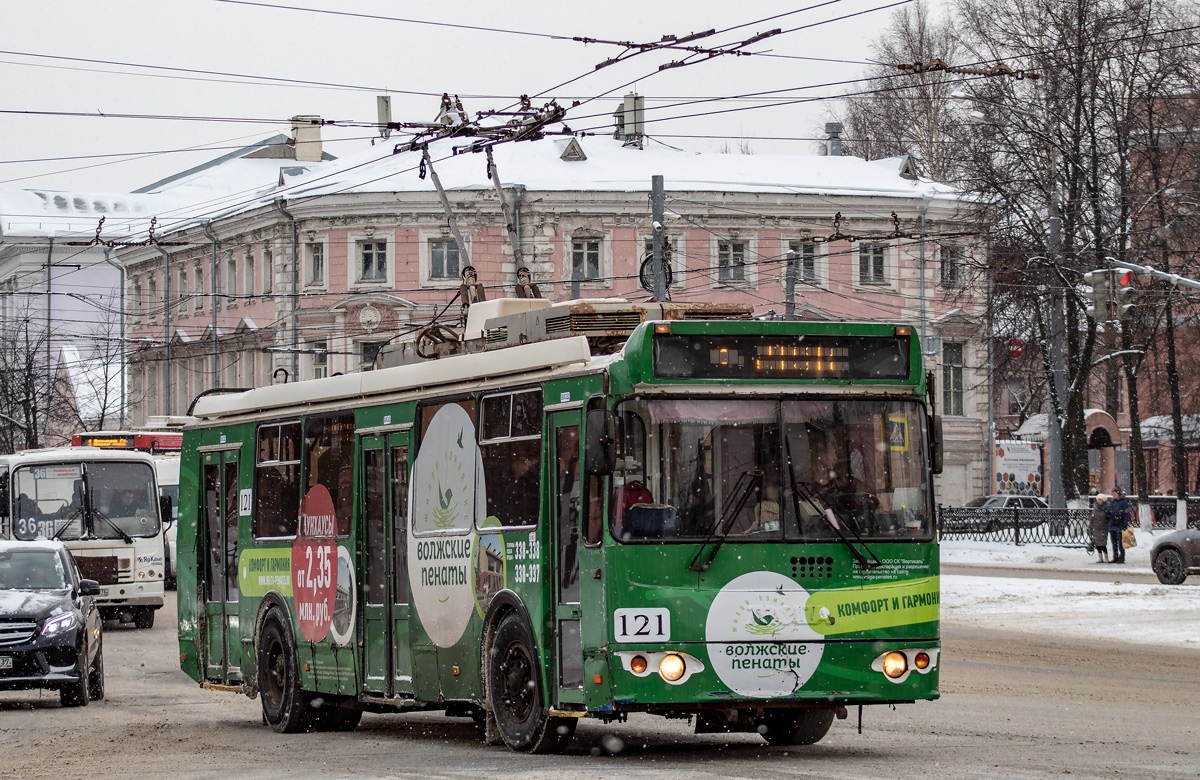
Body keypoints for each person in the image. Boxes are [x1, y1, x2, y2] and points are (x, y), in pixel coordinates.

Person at [1105, 487, 1132, 564]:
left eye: (1114, 494)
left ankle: (1121, 557)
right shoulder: (1112, 503)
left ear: (1118, 494)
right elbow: (1109, 512)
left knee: (1120, 542)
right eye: (1112, 494)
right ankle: (1115, 556)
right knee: (1114, 542)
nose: (1113, 495)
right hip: (1112, 525)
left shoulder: (1123, 503)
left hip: (1119, 525)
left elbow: (1126, 514)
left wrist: (1124, 524)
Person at [1089, 493, 1110, 563]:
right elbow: (1092, 518)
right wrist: (1090, 526)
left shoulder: (1106, 508)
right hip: (1095, 528)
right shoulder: (1095, 508)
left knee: (1103, 544)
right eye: (1098, 500)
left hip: (1103, 528)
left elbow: (1108, 518)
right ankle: (1100, 558)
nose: (1099, 501)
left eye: (1100, 500)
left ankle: (1106, 557)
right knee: (1097, 544)